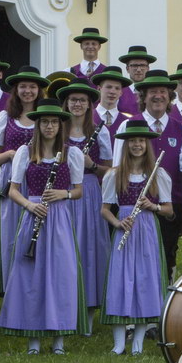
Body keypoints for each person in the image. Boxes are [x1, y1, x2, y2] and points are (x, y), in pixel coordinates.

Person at [0, 102, 89, 354]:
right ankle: (33, 340)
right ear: (38, 125)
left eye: (54, 122)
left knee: (61, 274)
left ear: (60, 125)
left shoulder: (72, 153)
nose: (49, 126)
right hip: (33, 214)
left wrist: (64, 194)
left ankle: (58, 338)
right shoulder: (24, 152)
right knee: (31, 275)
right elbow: (12, 190)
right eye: (45, 122)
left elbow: (79, 191)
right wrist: (30, 205)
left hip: (59, 217)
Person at [112, 70, 182, 279]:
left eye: (163, 91)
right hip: (134, 205)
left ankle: (163, 303)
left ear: (170, 96)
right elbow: (117, 167)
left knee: (168, 255)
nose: (158, 96)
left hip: (169, 204)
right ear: (143, 96)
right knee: (135, 257)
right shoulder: (128, 125)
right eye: (152, 92)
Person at [100, 122, 173, 355]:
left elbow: (169, 209)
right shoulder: (114, 174)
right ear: (126, 144)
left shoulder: (158, 174)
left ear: (147, 144)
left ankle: (139, 342)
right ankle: (119, 342)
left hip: (147, 229)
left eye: (141, 141)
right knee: (120, 281)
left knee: (145, 280)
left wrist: (153, 206)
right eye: (132, 141)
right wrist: (117, 223)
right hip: (125, 228)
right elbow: (105, 209)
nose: (137, 145)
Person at [57, 80, 111, 314]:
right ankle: (64, 302)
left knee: (88, 246)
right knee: (63, 245)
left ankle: (88, 308)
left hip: (89, 192)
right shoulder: (57, 129)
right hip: (62, 191)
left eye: (82, 100)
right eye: (73, 100)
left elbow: (110, 172)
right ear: (66, 104)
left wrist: (92, 165)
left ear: (90, 105)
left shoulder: (100, 132)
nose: (77, 104)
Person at [116, 45, 156, 116]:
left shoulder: (155, 92)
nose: (138, 70)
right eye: (134, 65)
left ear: (148, 68)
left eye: (142, 65)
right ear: (127, 69)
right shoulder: (119, 92)